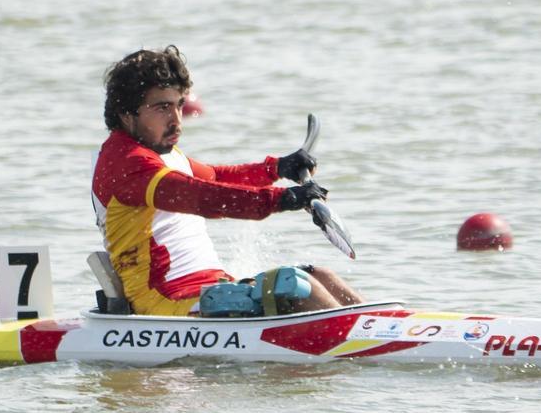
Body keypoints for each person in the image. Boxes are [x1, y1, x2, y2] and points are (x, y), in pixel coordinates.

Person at [92, 45, 364, 316]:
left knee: (320, 276)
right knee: (296, 286)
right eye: (163, 107)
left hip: (209, 287)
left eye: (179, 105)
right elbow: (206, 198)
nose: (177, 121)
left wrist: (277, 168)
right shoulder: (126, 163)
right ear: (126, 114)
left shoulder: (161, 153)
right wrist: (284, 199)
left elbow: (218, 178)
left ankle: (384, 330)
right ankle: (365, 346)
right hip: (167, 303)